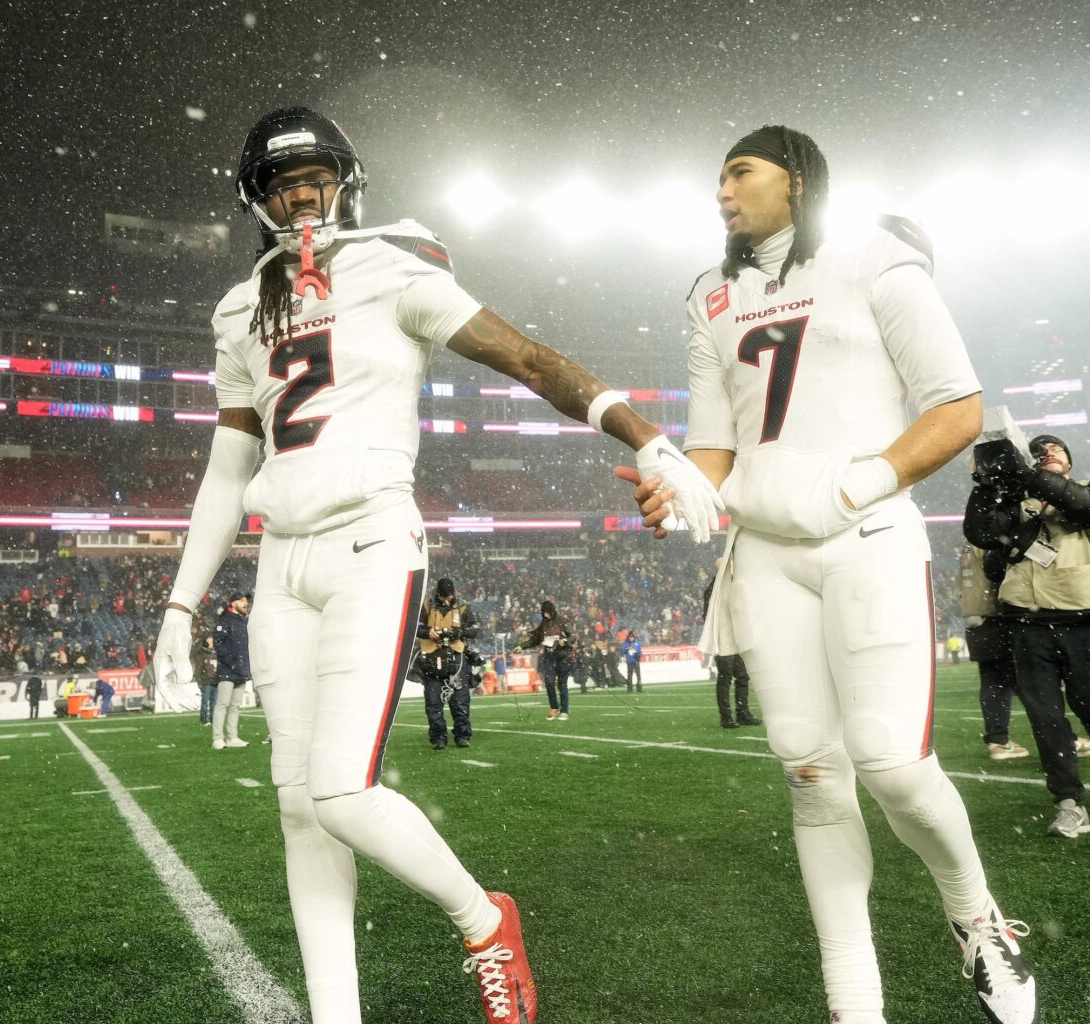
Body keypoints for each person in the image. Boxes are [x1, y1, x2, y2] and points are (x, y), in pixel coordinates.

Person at [149, 107, 721, 1024]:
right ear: (255, 201)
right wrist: (179, 606)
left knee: (340, 789)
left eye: (314, 177)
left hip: (372, 540)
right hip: (280, 564)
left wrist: (646, 436)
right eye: (280, 184)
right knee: (300, 808)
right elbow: (228, 470)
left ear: (347, 180)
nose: (300, 197)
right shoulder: (238, 309)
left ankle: (482, 918)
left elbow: (528, 358)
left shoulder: (392, 267)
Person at [630, 124, 1033, 1024]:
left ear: (799, 177)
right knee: (812, 778)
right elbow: (716, 444)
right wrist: (682, 491)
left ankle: (975, 917)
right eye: (719, 178)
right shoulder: (709, 294)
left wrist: (860, 482)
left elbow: (959, 405)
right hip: (765, 554)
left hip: (866, 536)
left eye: (740, 173)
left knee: (891, 763)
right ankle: (855, 1005)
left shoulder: (878, 259)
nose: (723, 193)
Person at [965, 433, 1090, 842]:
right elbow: (981, 536)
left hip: (1083, 619)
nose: (1049, 454)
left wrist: (1028, 473)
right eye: (1039, 450)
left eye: (1056, 449)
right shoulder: (1019, 504)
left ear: (1070, 461)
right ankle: (1069, 803)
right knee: (1046, 720)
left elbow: (1086, 507)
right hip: (1027, 623)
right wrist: (987, 485)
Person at [962, 545, 1029, 760]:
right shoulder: (990, 540)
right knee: (1030, 681)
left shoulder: (970, 545)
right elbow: (998, 571)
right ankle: (1063, 738)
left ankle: (997, 740)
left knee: (993, 682)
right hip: (998, 614)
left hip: (977, 618)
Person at [417, 578, 478, 751]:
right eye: (443, 597)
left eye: (448, 596)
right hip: (431, 658)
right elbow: (416, 628)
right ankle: (438, 738)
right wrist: (428, 632)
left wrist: (459, 632)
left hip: (456, 658)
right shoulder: (427, 607)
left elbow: (474, 629)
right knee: (433, 701)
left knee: (460, 700)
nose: (446, 600)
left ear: (453, 593)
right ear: (438, 594)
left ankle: (463, 735)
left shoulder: (463, 607)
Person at [701, 576, 760, 729]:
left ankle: (742, 713)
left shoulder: (733, 586)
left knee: (741, 676)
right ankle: (727, 716)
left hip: (736, 637)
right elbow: (707, 612)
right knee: (726, 677)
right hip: (723, 638)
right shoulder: (716, 588)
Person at [520, 600, 577, 722]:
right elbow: (535, 639)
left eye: (546, 612)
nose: (545, 615)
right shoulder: (543, 625)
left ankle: (565, 710)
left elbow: (573, 636)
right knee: (549, 682)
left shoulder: (563, 621)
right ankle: (554, 707)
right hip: (550, 656)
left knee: (562, 684)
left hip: (563, 656)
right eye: (543, 613)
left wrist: (565, 641)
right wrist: (522, 646)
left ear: (551, 611)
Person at [212, 593, 251, 750]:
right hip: (227, 670)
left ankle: (232, 737)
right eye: (242, 600)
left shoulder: (243, 621)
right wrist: (232, 663)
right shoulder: (224, 620)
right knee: (222, 704)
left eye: (246, 601)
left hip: (241, 670)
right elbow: (218, 644)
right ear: (232, 603)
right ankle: (217, 739)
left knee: (235, 705)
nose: (245, 603)